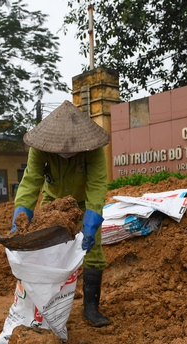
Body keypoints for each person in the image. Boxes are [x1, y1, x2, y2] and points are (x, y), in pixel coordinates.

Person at [10, 100, 112, 327]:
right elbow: (30, 182)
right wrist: (21, 215)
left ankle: (91, 308)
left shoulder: (93, 150)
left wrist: (92, 217)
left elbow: (97, 185)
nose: (66, 151)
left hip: (84, 204)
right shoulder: (40, 149)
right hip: (53, 205)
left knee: (93, 251)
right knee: (48, 253)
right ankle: (47, 307)